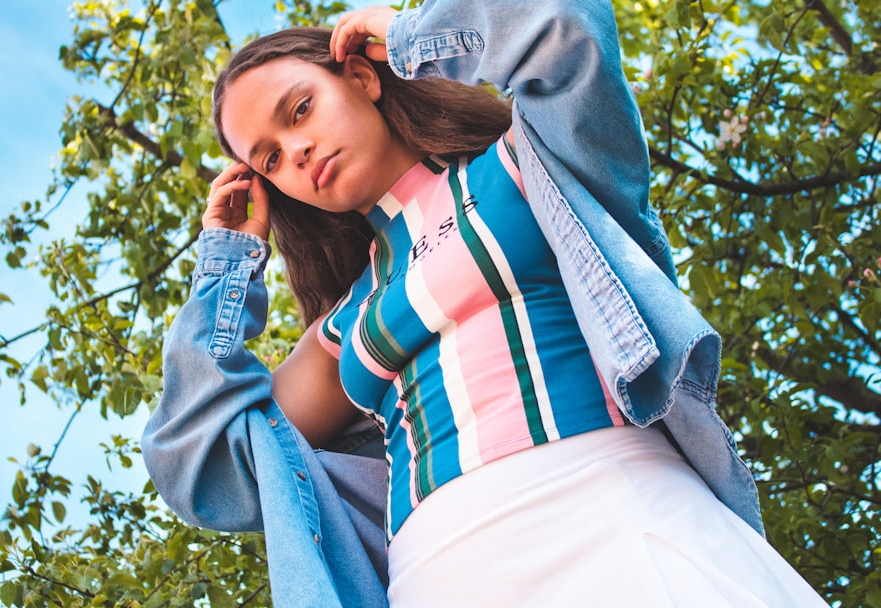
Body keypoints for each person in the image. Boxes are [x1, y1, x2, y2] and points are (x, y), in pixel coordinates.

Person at [143, 1, 829, 606]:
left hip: (618, 502)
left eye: (299, 110)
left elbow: (568, 25)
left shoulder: (531, 164)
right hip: (439, 572)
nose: (297, 151)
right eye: (269, 160)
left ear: (358, 77)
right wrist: (227, 266)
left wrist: (416, 37)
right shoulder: (346, 325)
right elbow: (203, 465)